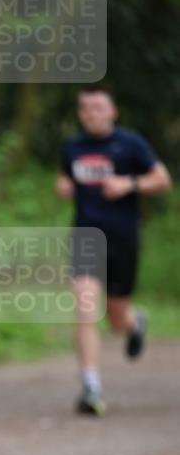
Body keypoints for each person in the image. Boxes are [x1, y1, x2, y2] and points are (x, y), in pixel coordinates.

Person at [56, 88, 171, 415]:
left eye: (97, 107)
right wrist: (63, 186)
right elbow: (66, 178)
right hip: (86, 237)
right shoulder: (72, 147)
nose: (90, 113)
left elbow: (162, 180)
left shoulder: (130, 144)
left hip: (123, 238)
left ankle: (134, 323)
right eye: (85, 108)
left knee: (116, 317)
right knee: (86, 309)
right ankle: (90, 387)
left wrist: (129, 184)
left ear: (112, 112)